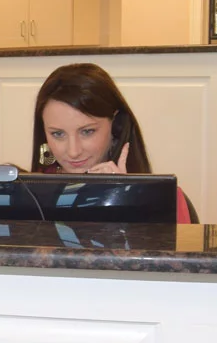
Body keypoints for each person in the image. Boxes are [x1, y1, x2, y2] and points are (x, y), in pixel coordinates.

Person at [32, 62, 197, 224]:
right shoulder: (28, 196)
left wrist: (126, 204)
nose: (73, 151)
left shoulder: (165, 200)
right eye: (58, 134)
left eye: (87, 131)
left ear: (117, 126)